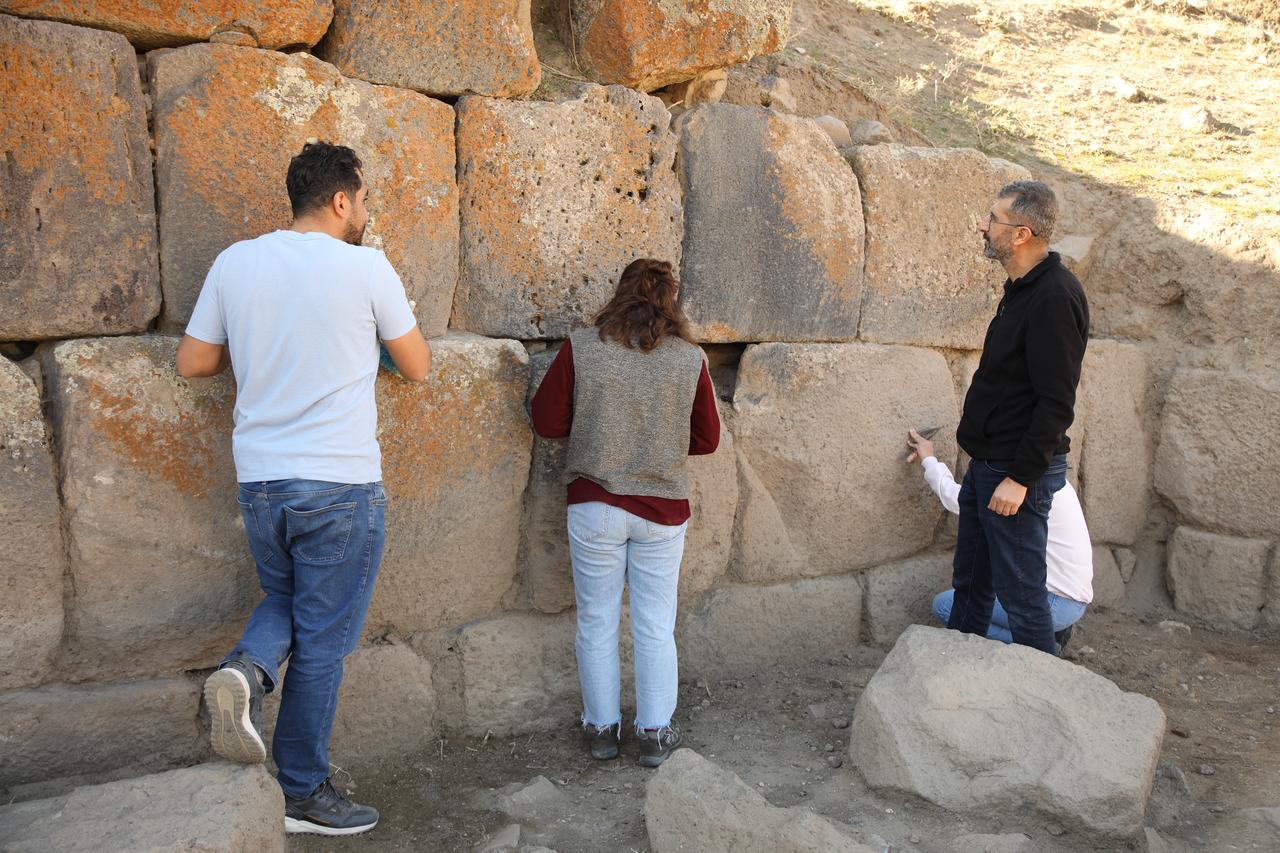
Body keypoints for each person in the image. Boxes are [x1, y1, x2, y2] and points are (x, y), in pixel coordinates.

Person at [176, 141, 430, 836]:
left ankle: (248, 670)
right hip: (341, 483)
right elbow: (418, 365)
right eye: (365, 200)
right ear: (342, 200)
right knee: (323, 639)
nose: (366, 213)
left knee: (287, 598)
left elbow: (193, 360)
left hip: (261, 480)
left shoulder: (235, 263)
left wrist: (264, 343)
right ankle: (303, 791)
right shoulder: (367, 268)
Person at [530, 258, 719, 768]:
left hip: (595, 506)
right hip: (661, 511)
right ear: (669, 302)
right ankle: (654, 733)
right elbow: (707, 440)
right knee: (656, 625)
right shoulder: (689, 359)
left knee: (596, 620)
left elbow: (546, 422)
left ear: (620, 296)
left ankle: (601, 731)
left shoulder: (582, 348)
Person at [948, 180, 1089, 654]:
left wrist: (1021, 478)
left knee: (1024, 600)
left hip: (1014, 473)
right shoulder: (1022, 288)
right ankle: (961, 676)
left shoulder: (1054, 296)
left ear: (1022, 233)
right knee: (969, 585)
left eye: (993, 220)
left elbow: (1056, 401)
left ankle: (1042, 703)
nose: (983, 227)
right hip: (988, 465)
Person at [906, 429, 1092, 652]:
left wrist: (929, 459)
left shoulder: (1019, 488)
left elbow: (959, 500)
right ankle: (1050, 633)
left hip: (1053, 603)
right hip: (1071, 601)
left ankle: (1042, 646)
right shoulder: (1049, 480)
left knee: (945, 605)